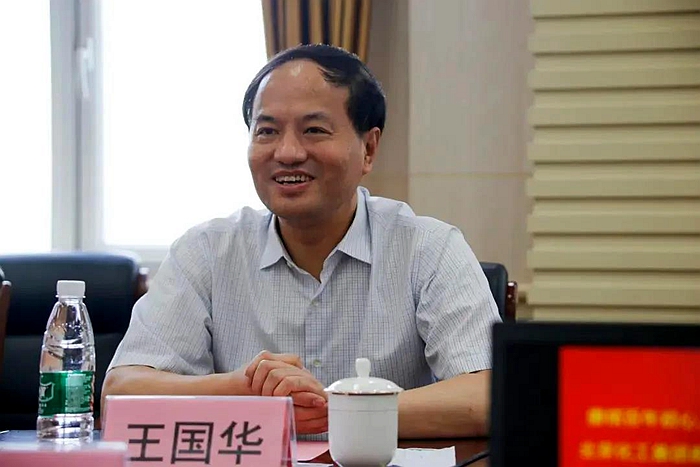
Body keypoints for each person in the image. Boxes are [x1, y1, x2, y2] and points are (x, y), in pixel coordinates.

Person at [103, 44, 501, 438]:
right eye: (267, 131)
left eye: (314, 130)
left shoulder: (428, 248)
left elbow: (491, 395)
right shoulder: (205, 252)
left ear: (368, 148)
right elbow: (119, 395)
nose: (288, 152)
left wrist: (338, 411)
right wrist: (245, 390)